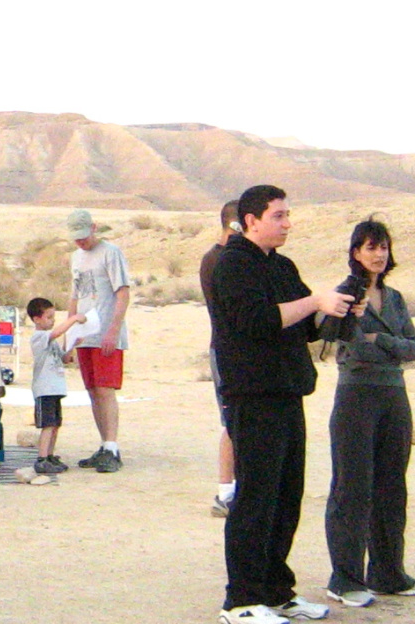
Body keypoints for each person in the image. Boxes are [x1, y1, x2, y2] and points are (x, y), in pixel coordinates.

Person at [211, 184, 356, 624]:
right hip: (253, 397)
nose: (287, 223)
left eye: (287, 215)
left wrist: (336, 310)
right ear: (251, 220)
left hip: (288, 392)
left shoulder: (283, 266)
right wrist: (314, 301)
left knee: (285, 497)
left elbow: (305, 328)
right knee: (255, 498)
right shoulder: (232, 265)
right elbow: (257, 321)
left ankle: (275, 591)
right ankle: (241, 601)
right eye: (278, 216)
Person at [324, 218, 415, 608]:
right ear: (355, 253)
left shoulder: (393, 298)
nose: (378, 254)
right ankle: (345, 577)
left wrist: (384, 340)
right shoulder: (346, 293)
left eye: (382, 247)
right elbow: (354, 347)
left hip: (394, 395)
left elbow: (412, 346)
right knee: (353, 487)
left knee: (392, 486)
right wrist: (389, 345)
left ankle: (387, 571)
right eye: (369, 247)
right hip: (356, 397)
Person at [66, 209, 131, 473]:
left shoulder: (110, 253)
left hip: (105, 332)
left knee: (105, 390)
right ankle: (104, 444)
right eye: (76, 238)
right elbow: (74, 296)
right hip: (85, 334)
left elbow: (123, 292)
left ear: (94, 228)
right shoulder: (76, 258)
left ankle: (112, 446)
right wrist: (68, 337)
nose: (80, 242)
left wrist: (112, 331)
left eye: (83, 236)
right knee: (92, 391)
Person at [200, 200, 242, 517]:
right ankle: (225, 491)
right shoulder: (218, 260)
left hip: (237, 352)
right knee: (232, 421)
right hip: (227, 351)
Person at [26, 297, 86, 475]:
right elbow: (56, 333)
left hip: (55, 388)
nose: (52, 321)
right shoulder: (39, 337)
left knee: (55, 424)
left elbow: (64, 359)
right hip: (44, 389)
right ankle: (42, 457)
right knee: (48, 425)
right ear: (37, 319)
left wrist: (73, 346)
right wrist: (73, 319)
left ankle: (50, 455)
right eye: (49, 317)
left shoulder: (51, 342)